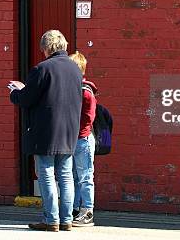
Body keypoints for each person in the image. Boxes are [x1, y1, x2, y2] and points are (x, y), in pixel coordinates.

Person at [8, 30, 82, 232]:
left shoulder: (42, 69)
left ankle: (51, 220)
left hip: (45, 131)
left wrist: (16, 91)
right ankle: (66, 219)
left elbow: (26, 99)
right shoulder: (76, 69)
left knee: (46, 174)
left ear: (47, 48)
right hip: (69, 130)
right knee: (66, 175)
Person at [69, 51, 97, 227]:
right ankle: (74, 208)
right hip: (73, 139)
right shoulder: (73, 89)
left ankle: (87, 211)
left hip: (82, 139)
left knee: (85, 177)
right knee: (73, 177)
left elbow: (88, 118)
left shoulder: (85, 92)